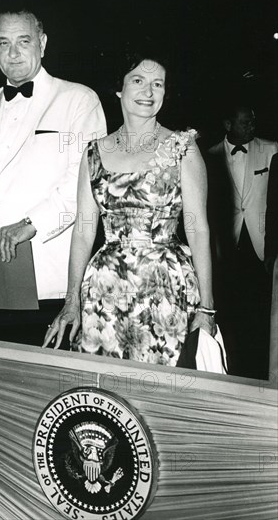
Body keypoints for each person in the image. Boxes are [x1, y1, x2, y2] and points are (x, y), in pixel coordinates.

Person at [0, 10, 106, 344]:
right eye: (4, 43)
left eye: (24, 41)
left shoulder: (79, 99)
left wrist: (30, 224)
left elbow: (84, 182)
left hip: (53, 279)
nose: (14, 53)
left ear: (43, 43)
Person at [43, 53, 215, 366]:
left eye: (157, 84)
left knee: (162, 392)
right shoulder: (94, 153)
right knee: (104, 392)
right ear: (119, 88)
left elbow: (198, 229)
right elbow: (83, 230)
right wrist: (72, 299)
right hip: (103, 291)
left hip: (166, 291)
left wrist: (207, 309)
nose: (148, 92)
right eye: (138, 81)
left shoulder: (182, 148)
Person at [207, 104, 277, 379]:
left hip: (262, 247)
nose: (251, 126)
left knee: (262, 315)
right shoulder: (209, 156)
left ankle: (262, 373)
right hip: (228, 246)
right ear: (228, 125)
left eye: (253, 121)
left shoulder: (271, 149)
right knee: (231, 315)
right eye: (245, 122)